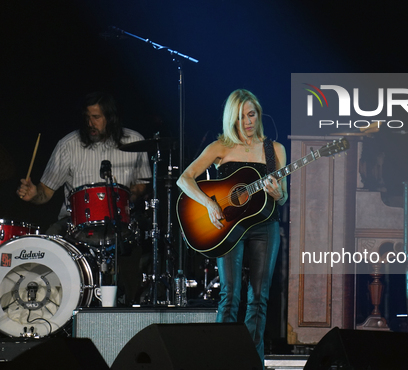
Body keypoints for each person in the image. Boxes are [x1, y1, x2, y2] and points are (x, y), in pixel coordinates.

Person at [177, 89, 287, 365]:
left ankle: (250, 361)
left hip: (265, 225)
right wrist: (209, 203)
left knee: (260, 296)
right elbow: (185, 179)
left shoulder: (274, 150)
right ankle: (220, 360)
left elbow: (283, 195)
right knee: (230, 295)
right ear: (231, 119)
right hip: (228, 226)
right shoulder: (221, 147)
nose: (248, 121)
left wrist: (277, 194)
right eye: (240, 117)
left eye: (252, 114)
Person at [16, 91, 151, 236]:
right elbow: (46, 192)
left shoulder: (135, 141)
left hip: (120, 223)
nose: (90, 123)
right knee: (48, 240)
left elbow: (142, 183)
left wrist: (128, 198)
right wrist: (35, 194)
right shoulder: (67, 145)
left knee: (146, 241)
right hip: (74, 226)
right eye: (87, 117)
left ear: (111, 118)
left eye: (96, 117)